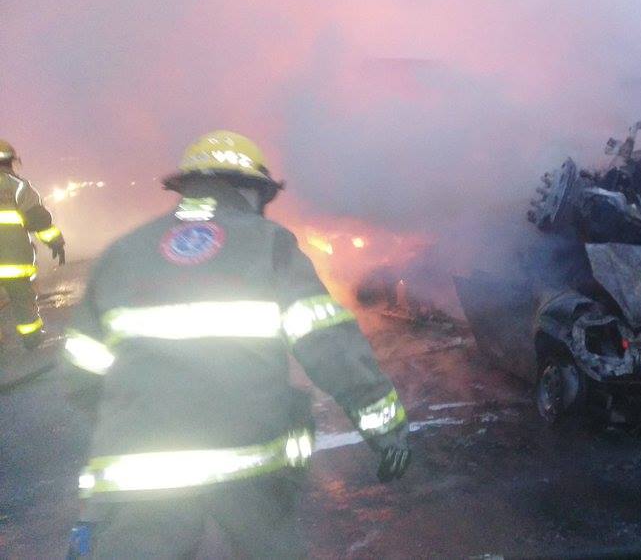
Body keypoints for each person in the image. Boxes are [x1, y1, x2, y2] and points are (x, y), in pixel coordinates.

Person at [62, 130, 410, 558]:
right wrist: (385, 428)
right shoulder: (268, 244)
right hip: (251, 462)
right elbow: (328, 341)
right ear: (250, 189)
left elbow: (80, 376)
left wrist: (140, 419)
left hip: (139, 473)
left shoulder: (121, 253)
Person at [0, 139, 65, 351]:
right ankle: (32, 339)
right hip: (15, 262)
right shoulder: (17, 186)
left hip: (14, 261)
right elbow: (38, 219)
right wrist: (55, 241)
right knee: (22, 301)